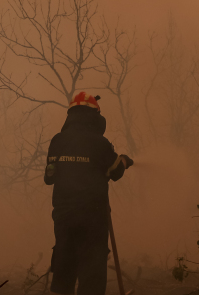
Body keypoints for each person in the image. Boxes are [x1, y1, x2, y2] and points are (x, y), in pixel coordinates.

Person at [44, 91, 134, 295]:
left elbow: (49, 178)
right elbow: (116, 171)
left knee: (64, 264)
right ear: (95, 116)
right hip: (92, 217)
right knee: (92, 271)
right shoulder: (99, 143)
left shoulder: (57, 141)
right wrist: (125, 160)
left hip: (64, 218)